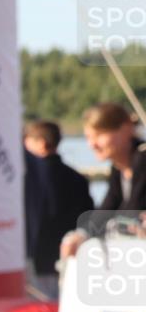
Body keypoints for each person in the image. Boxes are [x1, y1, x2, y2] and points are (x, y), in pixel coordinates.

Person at [61, 103, 146, 259]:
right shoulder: (119, 167)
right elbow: (107, 208)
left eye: (99, 135)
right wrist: (81, 234)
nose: (92, 144)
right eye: (88, 137)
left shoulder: (142, 158)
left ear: (125, 129)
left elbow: (132, 212)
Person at [22, 120, 93, 298]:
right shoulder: (78, 179)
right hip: (69, 260)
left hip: (35, 261)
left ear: (41, 143)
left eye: (27, 141)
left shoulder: (28, 178)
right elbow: (88, 218)